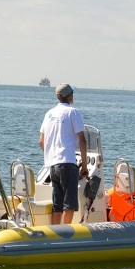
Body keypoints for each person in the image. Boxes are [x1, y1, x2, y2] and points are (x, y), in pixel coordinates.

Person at [39, 83, 89, 224]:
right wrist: (84, 167)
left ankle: (55, 233)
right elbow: (82, 140)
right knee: (69, 204)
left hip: (52, 166)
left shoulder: (49, 114)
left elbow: (41, 141)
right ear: (70, 96)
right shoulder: (73, 112)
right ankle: (66, 234)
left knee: (58, 204)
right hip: (67, 163)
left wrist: (51, 155)